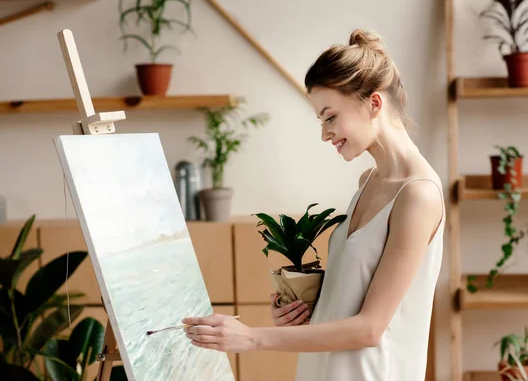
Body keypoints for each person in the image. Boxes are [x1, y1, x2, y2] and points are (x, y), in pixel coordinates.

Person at [181, 29, 445, 381]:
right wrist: (307, 311)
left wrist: (253, 338)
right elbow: (354, 296)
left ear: (374, 104)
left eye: (330, 116)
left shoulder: (418, 195)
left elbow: (370, 328)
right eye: (321, 120)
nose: (324, 133)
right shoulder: (367, 182)